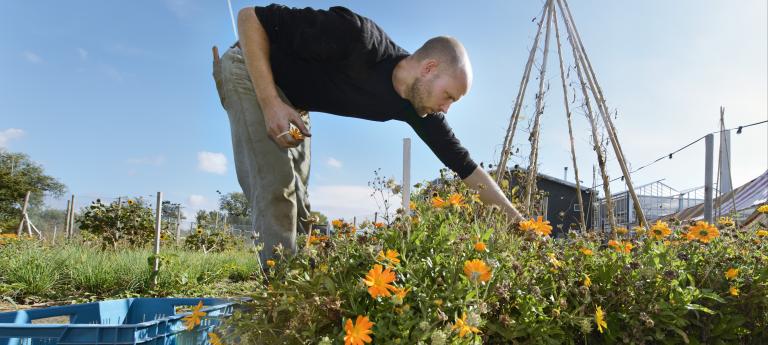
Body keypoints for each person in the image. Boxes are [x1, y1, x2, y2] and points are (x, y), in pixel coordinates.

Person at [212, 4, 523, 265]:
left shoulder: (416, 107)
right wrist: (270, 104)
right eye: (449, 96)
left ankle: (300, 290)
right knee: (276, 186)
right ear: (428, 68)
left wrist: (519, 223)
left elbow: (465, 166)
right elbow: (249, 18)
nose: (447, 108)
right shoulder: (355, 37)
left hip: (294, 101)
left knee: (301, 205)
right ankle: (276, 300)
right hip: (250, 71)